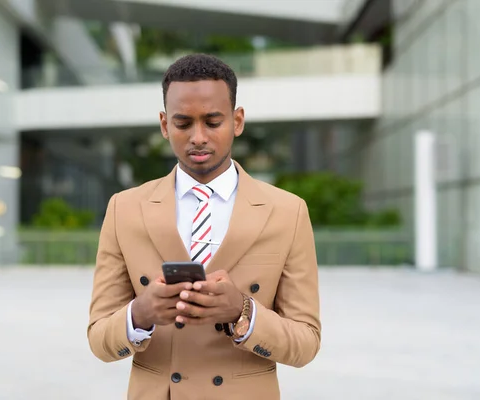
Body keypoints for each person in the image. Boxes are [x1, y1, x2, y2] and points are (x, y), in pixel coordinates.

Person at [87, 53, 321, 399]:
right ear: (165, 125)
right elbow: (98, 340)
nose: (198, 137)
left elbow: (306, 343)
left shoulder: (287, 212)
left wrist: (243, 311)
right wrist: (141, 314)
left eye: (213, 122)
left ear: (237, 121)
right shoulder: (125, 209)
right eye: (183, 124)